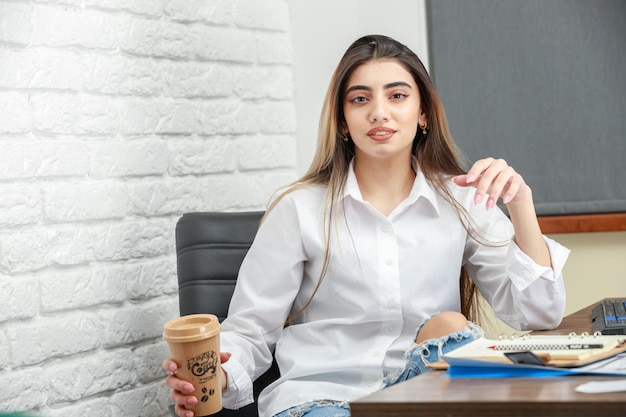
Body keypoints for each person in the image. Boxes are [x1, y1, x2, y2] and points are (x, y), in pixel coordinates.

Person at [163, 34, 569, 417]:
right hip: (321, 399)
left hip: (422, 395)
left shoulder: (463, 201)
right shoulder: (298, 209)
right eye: (360, 99)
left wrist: (520, 204)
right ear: (342, 119)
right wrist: (214, 375)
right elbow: (251, 332)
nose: (379, 111)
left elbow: (538, 313)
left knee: (451, 330)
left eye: (397, 95)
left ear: (423, 112)